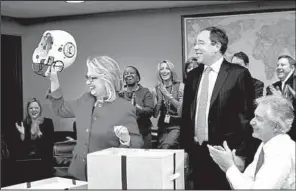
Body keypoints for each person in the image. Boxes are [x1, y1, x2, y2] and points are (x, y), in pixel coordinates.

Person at [180, 26, 256, 189]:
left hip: (226, 153)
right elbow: (186, 117)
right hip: (197, 151)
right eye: (195, 43)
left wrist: (242, 155)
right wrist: (185, 150)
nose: (195, 47)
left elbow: (246, 117)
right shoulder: (193, 76)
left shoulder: (238, 74)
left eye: (200, 43)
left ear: (216, 46)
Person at [46, 55, 143, 181]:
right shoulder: (85, 100)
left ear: (107, 78)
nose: (87, 82)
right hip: (77, 174)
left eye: (93, 78)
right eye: (87, 77)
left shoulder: (125, 108)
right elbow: (60, 108)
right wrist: (54, 79)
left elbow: (137, 145)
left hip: (105, 178)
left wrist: (126, 140)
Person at [208, 95, 295, 189]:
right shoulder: (266, 144)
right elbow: (247, 181)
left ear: (276, 127)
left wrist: (229, 167)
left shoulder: (281, 151)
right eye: (254, 116)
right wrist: (231, 165)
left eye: (259, 119)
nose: (251, 122)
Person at [14, 98, 54, 181]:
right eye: (31, 108)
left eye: (36, 107)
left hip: (44, 163)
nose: (34, 110)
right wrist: (23, 134)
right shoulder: (24, 124)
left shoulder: (48, 122)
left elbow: (49, 145)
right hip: (28, 165)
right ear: (28, 110)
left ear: (40, 109)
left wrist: (39, 133)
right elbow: (22, 150)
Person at [119, 66, 154, 149]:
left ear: (138, 78)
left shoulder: (145, 91)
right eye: (126, 74)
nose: (128, 75)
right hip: (125, 134)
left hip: (143, 133)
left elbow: (150, 111)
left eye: (132, 73)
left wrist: (137, 108)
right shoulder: (119, 94)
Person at [152, 60, 184, 149]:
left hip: (176, 126)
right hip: (162, 126)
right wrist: (159, 101)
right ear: (159, 72)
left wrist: (167, 95)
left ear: (171, 71)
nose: (164, 71)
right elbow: (155, 115)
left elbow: (180, 109)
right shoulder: (155, 89)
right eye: (162, 69)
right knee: (162, 149)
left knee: (167, 146)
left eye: (167, 68)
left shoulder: (180, 86)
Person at [266, 55, 296, 141]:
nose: (279, 68)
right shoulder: (271, 88)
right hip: (277, 136)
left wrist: (283, 100)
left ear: (292, 67)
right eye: (278, 65)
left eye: (282, 65)